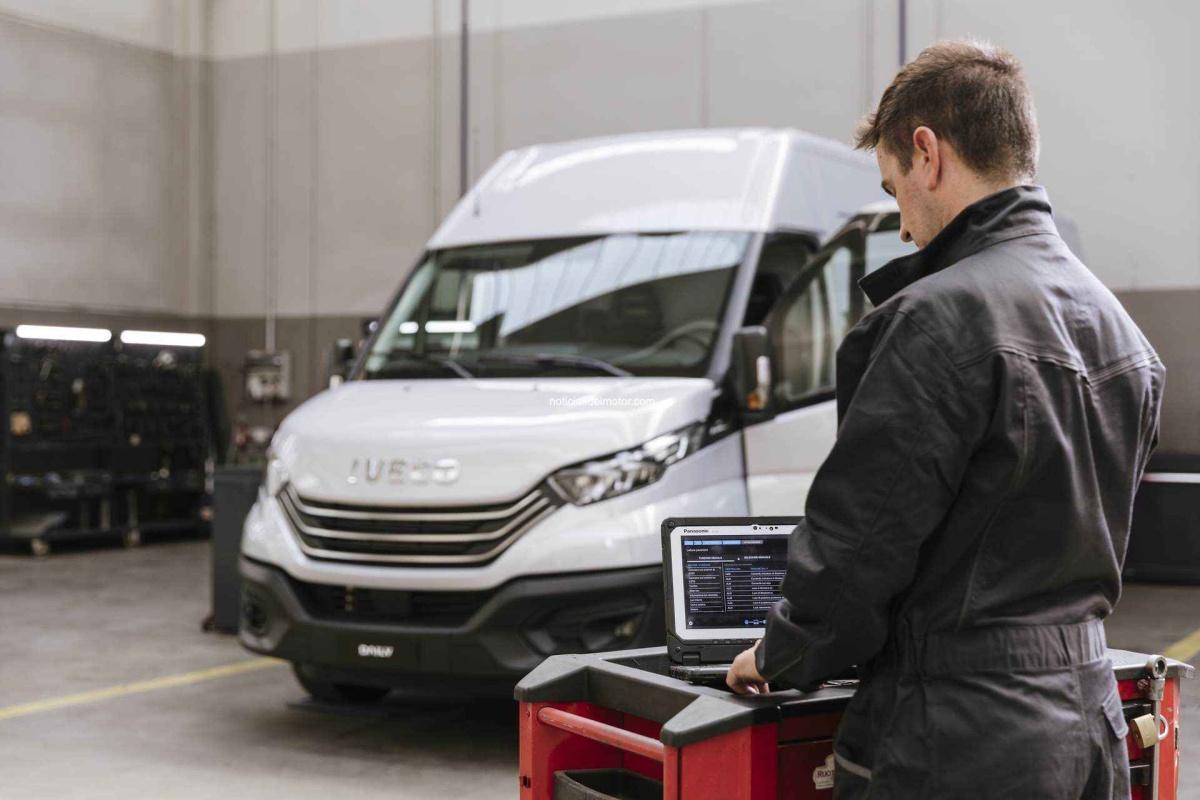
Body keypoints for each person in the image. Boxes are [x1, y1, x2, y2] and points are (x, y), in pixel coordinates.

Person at [726, 40, 1163, 799]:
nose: (902, 226)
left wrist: (779, 655)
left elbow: (862, 544)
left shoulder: (934, 320)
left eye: (895, 191)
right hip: (1089, 727)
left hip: (957, 737)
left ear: (927, 153)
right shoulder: (1123, 334)